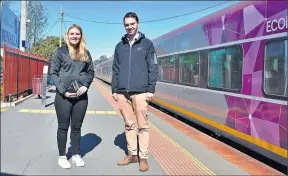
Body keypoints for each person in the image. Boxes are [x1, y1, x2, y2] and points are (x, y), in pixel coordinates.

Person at [111, 12, 158, 172]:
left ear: (138, 23)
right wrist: (114, 90)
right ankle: (132, 155)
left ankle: (143, 157)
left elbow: (153, 67)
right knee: (129, 124)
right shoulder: (119, 46)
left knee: (142, 126)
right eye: (127, 25)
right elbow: (115, 69)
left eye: (132, 24)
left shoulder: (147, 44)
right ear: (124, 26)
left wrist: (150, 89)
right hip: (123, 92)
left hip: (141, 92)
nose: (129, 27)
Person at [50, 24, 94, 169]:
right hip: (63, 97)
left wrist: (85, 85)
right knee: (63, 127)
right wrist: (63, 91)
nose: (75, 36)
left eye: (77, 34)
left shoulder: (86, 53)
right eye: (72, 34)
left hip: (81, 97)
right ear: (67, 36)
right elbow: (53, 73)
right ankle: (62, 156)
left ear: (81, 36)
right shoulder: (60, 52)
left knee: (76, 127)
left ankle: (76, 154)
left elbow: (90, 72)